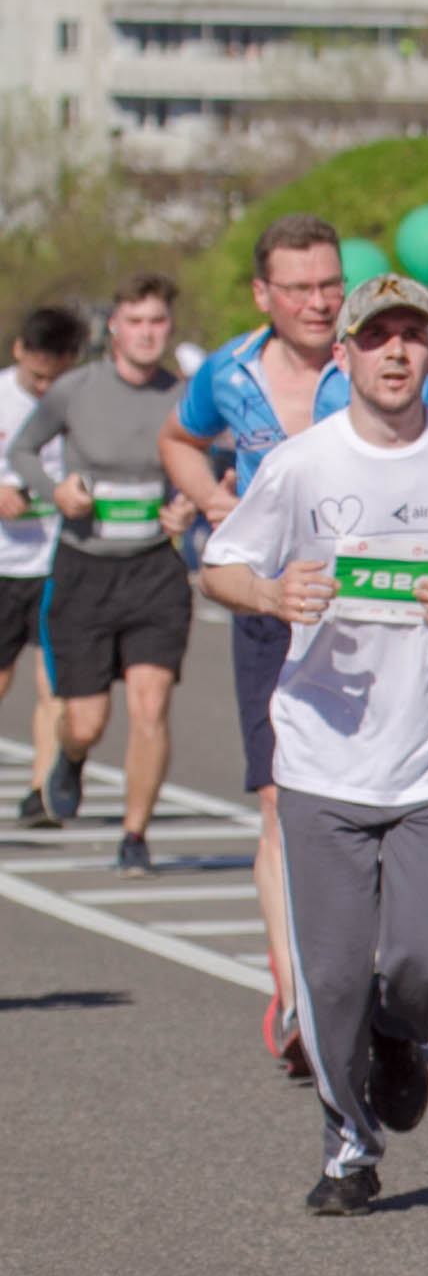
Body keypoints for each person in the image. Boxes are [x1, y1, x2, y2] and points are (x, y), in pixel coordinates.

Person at [194, 275, 428, 1212]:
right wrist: (270, 594)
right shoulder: (304, 464)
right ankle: (351, 1146)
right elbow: (219, 564)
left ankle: (400, 1034)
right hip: (323, 757)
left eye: (412, 336)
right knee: (333, 979)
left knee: (423, 965)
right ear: (342, 354)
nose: (395, 352)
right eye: (375, 335)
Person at [162, 212, 428, 1072]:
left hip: (372, 616)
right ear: (264, 294)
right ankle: (296, 1000)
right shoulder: (231, 371)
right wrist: (215, 506)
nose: (322, 302)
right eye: (303, 288)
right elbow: (179, 438)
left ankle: (361, 977)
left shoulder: (372, 367)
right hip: (269, 606)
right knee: (281, 804)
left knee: (370, 805)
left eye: (332, 284)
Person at [14, 273, 197, 875]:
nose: (147, 333)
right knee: (87, 719)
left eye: (157, 322)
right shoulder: (74, 389)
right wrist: (54, 488)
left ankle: (135, 836)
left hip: (154, 570)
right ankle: (69, 758)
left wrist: (189, 501)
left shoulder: (186, 394)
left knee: (151, 707)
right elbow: (22, 450)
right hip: (84, 568)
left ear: (169, 328)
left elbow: (213, 461)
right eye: (135, 321)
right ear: (113, 327)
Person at [0, 304, 86, 827]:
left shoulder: (77, 402)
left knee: (51, 681)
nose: (43, 387)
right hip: (4, 563)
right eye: (35, 376)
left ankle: (40, 792)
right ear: (18, 352)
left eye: (53, 378)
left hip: (57, 559)